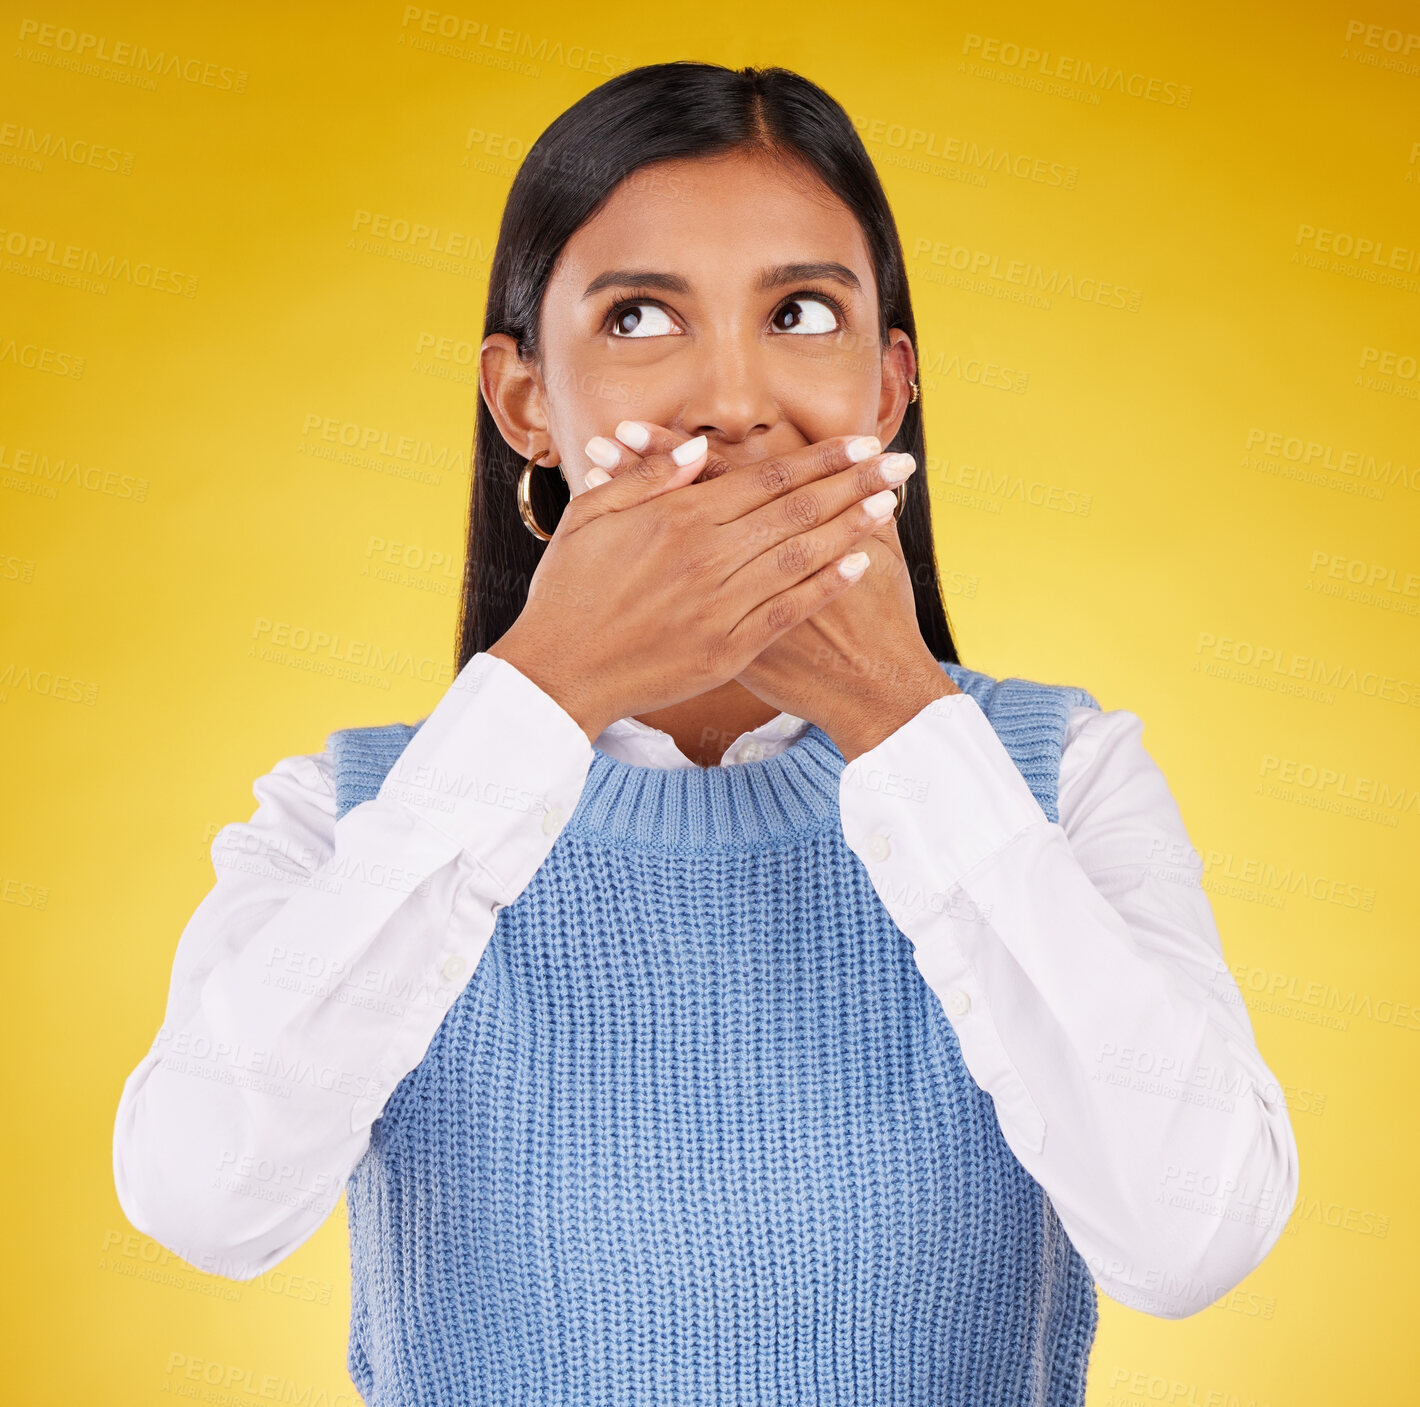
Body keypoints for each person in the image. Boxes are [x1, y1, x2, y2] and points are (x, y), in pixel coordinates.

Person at [114, 60, 1299, 1405]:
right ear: (526, 405)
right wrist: (539, 695)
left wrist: (902, 719)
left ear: (889, 388)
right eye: (637, 318)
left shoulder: (1064, 780)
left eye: (800, 312)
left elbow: (1192, 1237)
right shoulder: (351, 813)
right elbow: (203, 1201)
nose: (732, 400)